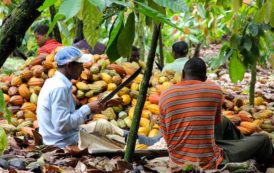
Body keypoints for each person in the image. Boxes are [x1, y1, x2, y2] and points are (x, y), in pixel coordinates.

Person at [159, 57, 273, 169]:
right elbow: (214, 124)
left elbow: (166, 135)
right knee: (263, 139)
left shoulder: (165, 95)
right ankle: (252, 152)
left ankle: (241, 144)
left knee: (225, 121)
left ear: (183, 74)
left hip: (176, 160)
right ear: (205, 77)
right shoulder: (214, 90)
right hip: (208, 161)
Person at [37, 46, 105, 148]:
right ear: (69, 66)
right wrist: (87, 108)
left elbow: (67, 117)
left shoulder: (53, 82)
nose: (82, 69)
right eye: (80, 65)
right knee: (111, 138)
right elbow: (62, 125)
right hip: (62, 142)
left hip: (63, 136)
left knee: (105, 126)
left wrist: (91, 110)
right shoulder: (59, 88)